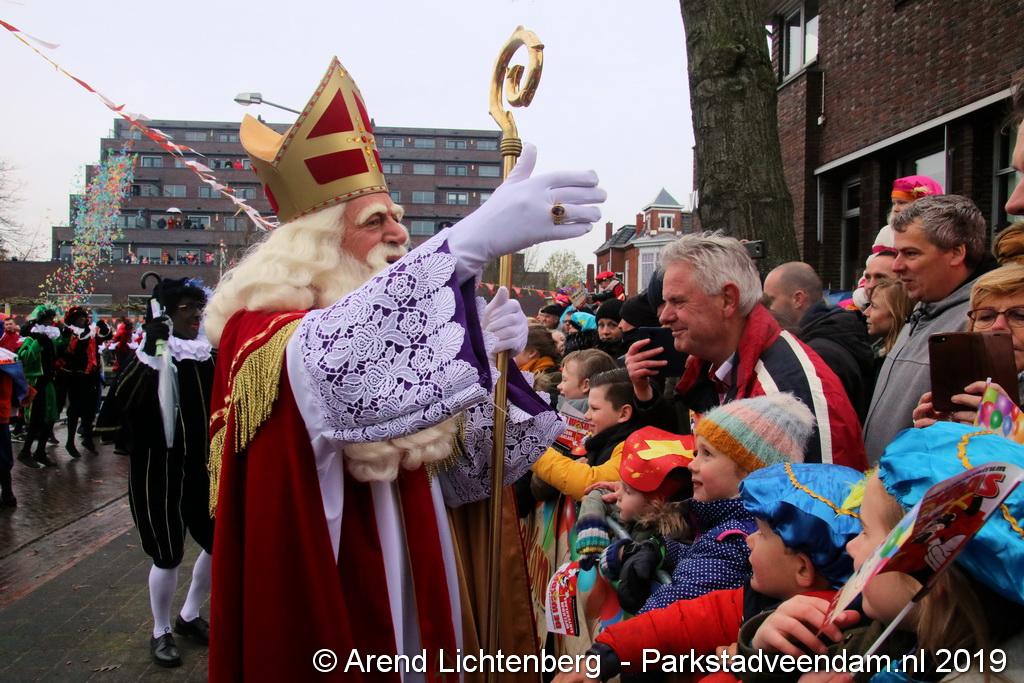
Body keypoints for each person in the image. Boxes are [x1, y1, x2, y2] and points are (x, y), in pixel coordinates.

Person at [201, 57, 604, 681]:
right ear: (318, 243)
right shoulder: (260, 328)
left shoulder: (376, 323)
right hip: (337, 579)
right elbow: (329, 368)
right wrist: (466, 244)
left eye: (395, 216)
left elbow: (462, 474)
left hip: (418, 557)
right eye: (375, 221)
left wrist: (485, 365)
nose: (398, 231)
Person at [740, 423, 1024, 681]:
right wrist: (766, 653)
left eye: (865, 532)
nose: (850, 545)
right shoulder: (879, 636)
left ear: (929, 578)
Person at [562, 462, 863, 683]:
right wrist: (608, 652)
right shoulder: (761, 596)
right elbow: (689, 619)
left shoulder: (809, 639)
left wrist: (738, 664)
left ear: (802, 568)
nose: (749, 539)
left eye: (761, 533)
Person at [626, 233, 867, 470]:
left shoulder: (783, 392)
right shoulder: (714, 369)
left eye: (677, 302)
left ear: (728, 299)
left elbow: (815, 493)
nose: (664, 317)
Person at [600, 393, 815, 617]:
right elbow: (701, 555)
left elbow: (663, 620)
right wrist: (658, 549)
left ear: (748, 473)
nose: (691, 465)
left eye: (707, 454)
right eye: (696, 453)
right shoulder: (729, 522)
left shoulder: (732, 540)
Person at [97, 277, 215, 667]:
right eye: (187, 308)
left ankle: (189, 615)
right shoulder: (151, 356)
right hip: (158, 472)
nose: (196, 315)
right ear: (166, 314)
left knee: (219, 542)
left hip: (203, 469)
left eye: (199, 307)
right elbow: (121, 403)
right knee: (167, 554)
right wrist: (149, 352)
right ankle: (160, 629)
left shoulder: (207, 354)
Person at [863, 194, 993, 462]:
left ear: (956, 253)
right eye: (897, 253)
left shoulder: (981, 322)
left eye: (910, 253)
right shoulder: (923, 308)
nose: (897, 266)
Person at [763, 261, 874, 420]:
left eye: (770, 301)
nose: (766, 310)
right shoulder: (834, 335)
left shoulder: (819, 354)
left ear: (798, 299)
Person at [531, 369, 640, 501]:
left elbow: (589, 483)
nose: (586, 416)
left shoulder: (635, 449)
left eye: (594, 409)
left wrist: (532, 448)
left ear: (624, 413)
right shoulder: (594, 441)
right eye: (588, 408)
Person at [58, 306, 108, 457]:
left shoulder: (90, 331)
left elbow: (104, 337)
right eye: (79, 318)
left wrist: (103, 328)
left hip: (91, 376)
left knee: (90, 409)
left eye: (84, 317)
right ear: (73, 320)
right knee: (74, 410)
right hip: (75, 377)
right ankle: (70, 442)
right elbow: (70, 351)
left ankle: (88, 439)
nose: (83, 320)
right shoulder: (69, 333)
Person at [16, 307, 60, 468]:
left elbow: (57, 356)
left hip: (49, 383)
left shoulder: (51, 339)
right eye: (46, 321)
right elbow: (24, 358)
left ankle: (40, 452)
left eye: (51, 320)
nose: (49, 323)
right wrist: (37, 343)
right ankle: (25, 453)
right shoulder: (30, 339)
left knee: (49, 419)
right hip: (36, 384)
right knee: (36, 420)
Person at [0, 347, 30, 507]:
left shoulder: (5, 361)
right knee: (3, 456)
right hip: (2, 415)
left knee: (3, 456)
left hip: (2, 416)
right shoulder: (7, 361)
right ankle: (7, 494)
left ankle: (7, 494)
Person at [865, 279, 914, 370]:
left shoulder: (906, 361)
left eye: (874, 306)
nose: (865, 313)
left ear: (897, 313)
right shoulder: (877, 352)